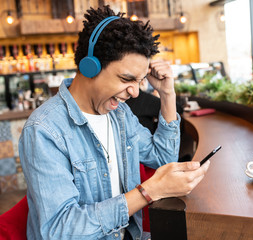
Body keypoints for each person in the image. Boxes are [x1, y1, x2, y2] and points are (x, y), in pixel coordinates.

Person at [19, 6, 210, 240]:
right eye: (126, 79)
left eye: (139, 81)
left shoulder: (119, 115)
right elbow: (60, 231)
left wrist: (167, 95)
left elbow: (163, 159)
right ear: (91, 66)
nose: (135, 93)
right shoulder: (44, 130)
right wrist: (149, 191)